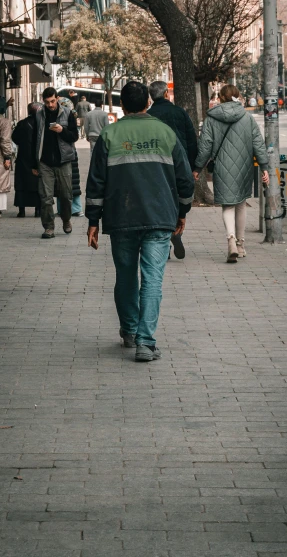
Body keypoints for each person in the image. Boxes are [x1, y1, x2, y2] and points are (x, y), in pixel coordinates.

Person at [86, 81, 194, 362]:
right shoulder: (165, 132)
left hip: (121, 218)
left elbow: (95, 183)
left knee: (125, 276)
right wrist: (182, 212)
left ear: (122, 105)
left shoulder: (109, 135)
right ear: (147, 102)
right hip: (159, 217)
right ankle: (146, 343)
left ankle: (130, 332)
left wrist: (93, 221)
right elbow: (184, 179)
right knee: (152, 279)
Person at [193, 84, 269, 263]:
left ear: (220, 98)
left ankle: (231, 241)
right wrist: (264, 166)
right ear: (238, 96)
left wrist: (197, 168)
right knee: (241, 203)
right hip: (244, 166)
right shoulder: (247, 117)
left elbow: (205, 146)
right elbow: (258, 143)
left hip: (221, 165)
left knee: (227, 204)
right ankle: (241, 246)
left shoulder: (211, 118)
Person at [148, 80, 197, 260]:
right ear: (167, 93)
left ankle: (164, 243)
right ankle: (177, 231)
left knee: (161, 202)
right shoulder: (179, 112)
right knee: (178, 200)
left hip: (159, 166)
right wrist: (194, 168)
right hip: (179, 164)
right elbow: (191, 140)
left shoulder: (149, 115)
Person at [31, 87, 78, 239]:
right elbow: (34, 139)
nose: (50, 105)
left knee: (65, 195)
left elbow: (74, 136)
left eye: (52, 101)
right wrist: (34, 163)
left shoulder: (68, 113)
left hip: (63, 161)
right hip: (45, 162)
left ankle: (66, 219)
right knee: (45, 197)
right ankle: (49, 227)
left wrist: (61, 131)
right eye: (47, 102)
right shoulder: (39, 114)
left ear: (57, 98)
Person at [11, 102, 42, 218]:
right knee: (37, 185)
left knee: (21, 184)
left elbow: (15, 138)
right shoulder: (42, 124)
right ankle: (38, 210)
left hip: (23, 158)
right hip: (37, 158)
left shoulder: (22, 124)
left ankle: (21, 211)